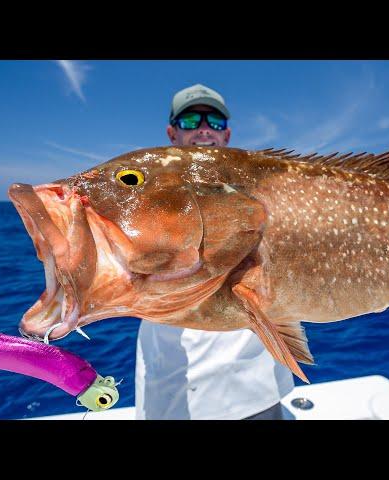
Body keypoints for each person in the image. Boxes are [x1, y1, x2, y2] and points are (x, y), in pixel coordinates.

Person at [135, 84, 295, 420]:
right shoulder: (144, 195)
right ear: (172, 133)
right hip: (174, 391)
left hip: (255, 387)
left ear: (227, 135)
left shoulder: (265, 190)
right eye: (191, 120)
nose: (204, 129)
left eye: (215, 122)